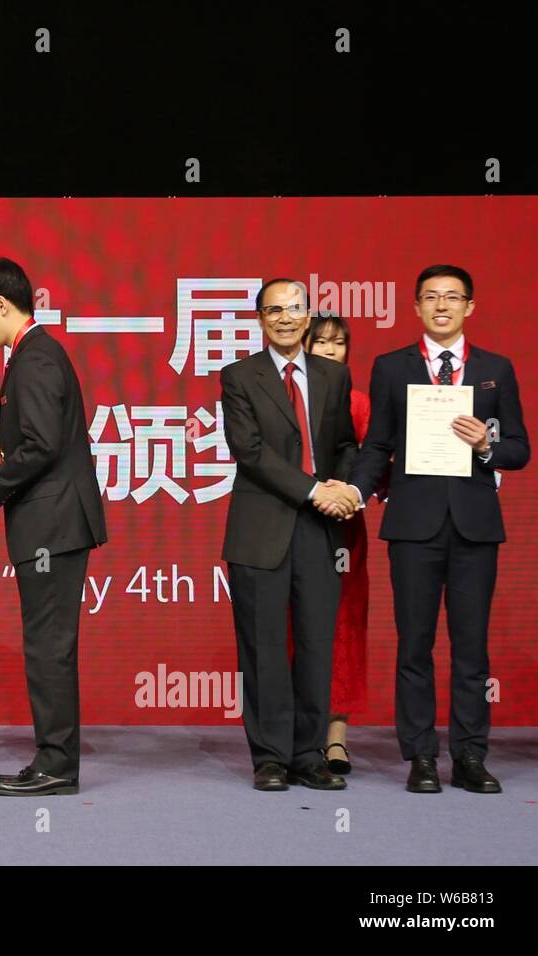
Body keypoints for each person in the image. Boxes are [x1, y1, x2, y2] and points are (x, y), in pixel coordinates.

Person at [348, 265, 530, 794]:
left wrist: (486, 448)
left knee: (471, 647)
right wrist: (357, 491)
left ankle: (470, 756)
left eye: (452, 297)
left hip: (474, 525)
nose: (442, 305)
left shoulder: (496, 368)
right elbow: (377, 445)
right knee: (414, 645)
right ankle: (421, 756)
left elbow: (518, 448)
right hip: (413, 524)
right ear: (416, 307)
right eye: (430, 297)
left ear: (470, 307)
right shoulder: (390, 367)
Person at [0, 257, 107, 797]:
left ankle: (57, 764)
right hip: (50, 522)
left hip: (53, 525)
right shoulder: (32, 355)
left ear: (0, 304)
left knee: (48, 646)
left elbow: (40, 445)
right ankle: (54, 758)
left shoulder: (36, 359)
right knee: (47, 644)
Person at [218, 278, 358, 792]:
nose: (284, 318)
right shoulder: (239, 376)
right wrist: (315, 489)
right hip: (262, 528)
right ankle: (271, 757)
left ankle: (308, 753)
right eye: (273, 310)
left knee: (317, 643)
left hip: (319, 531)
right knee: (263, 647)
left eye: (293, 309)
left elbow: (344, 442)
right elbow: (249, 452)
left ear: (307, 316)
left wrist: (344, 485)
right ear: (259, 318)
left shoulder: (332, 376)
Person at [303, 314, 378, 774]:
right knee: (298, 628)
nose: (330, 350)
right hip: (296, 526)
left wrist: (347, 498)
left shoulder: (360, 404)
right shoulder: (287, 397)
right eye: (321, 342)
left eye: (338, 343)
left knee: (342, 629)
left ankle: (336, 739)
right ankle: (299, 736)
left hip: (344, 532)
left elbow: (373, 465)